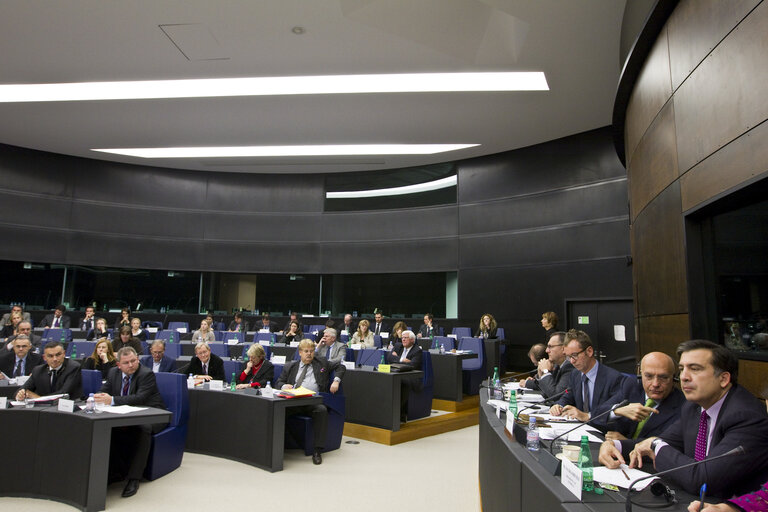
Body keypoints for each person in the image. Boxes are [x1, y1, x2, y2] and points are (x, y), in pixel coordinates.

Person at [598, 340, 768, 498]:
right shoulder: (693, 406)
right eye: (682, 369)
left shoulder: (747, 416)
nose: (684, 377)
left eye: (695, 369)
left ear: (723, 379)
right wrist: (615, 446)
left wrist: (654, 445)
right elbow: (666, 442)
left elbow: (703, 480)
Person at [94, 347, 167, 498]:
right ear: (119, 365)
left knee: (142, 429)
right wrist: (100, 397)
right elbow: (104, 390)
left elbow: (139, 398)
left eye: (133, 361)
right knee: (107, 428)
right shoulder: (113, 373)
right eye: (126, 363)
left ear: (138, 359)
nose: (131, 365)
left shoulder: (146, 374)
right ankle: (114, 472)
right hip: (125, 414)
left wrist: (112, 400)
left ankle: (134, 478)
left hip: (151, 414)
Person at [276, 338, 345, 465]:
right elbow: (279, 382)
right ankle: (278, 446)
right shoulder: (290, 366)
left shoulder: (322, 363)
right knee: (278, 411)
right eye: (306, 351)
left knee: (321, 410)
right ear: (300, 352)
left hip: (312, 401)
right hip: (294, 401)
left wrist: (336, 380)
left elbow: (341, 366)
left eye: (312, 351)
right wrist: (283, 386)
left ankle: (317, 450)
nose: (309, 354)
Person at [550, 329, 626, 429]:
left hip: (603, 433)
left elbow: (612, 411)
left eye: (574, 355)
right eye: (568, 357)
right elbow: (568, 396)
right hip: (579, 430)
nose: (572, 361)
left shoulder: (613, 378)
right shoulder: (575, 374)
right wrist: (558, 406)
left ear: (589, 351)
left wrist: (585, 416)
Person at [602, 352, 685, 441]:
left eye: (663, 377)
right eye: (649, 376)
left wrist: (626, 443)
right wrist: (617, 411)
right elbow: (597, 414)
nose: (655, 384)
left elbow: (666, 442)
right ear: (640, 374)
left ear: (674, 378)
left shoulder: (683, 406)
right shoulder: (630, 386)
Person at [16, 341, 82, 400]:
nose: (55, 359)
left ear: (64, 354)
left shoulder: (73, 367)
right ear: (44, 358)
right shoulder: (38, 370)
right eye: (50, 356)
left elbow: (63, 394)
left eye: (58, 355)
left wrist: (38, 398)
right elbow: (22, 389)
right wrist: (20, 394)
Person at [520, 332, 574, 399]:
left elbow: (555, 395)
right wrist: (540, 375)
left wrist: (545, 372)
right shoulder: (557, 366)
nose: (547, 350)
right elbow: (546, 391)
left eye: (550, 347)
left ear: (563, 348)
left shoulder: (570, 367)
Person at [388, 330, 423, 423]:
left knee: (402, 383)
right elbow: (389, 358)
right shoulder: (398, 346)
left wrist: (397, 360)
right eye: (402, 337)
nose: (403, 339)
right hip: (396, 373)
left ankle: (398, 413)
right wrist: (403, 359)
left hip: (411, 377)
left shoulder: (417, 350)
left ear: (412, 340)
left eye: (405, 338)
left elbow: (413, 365)